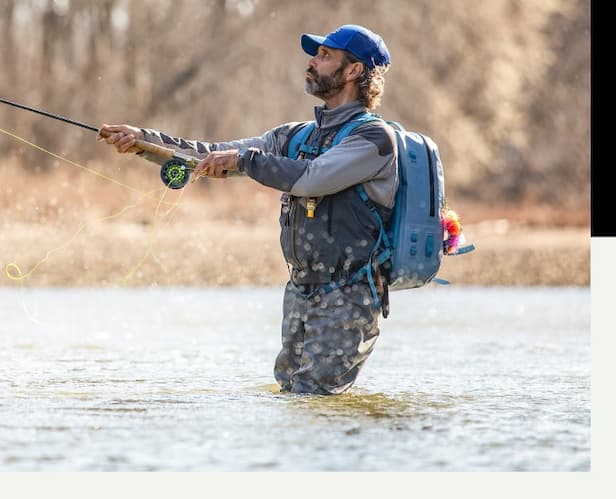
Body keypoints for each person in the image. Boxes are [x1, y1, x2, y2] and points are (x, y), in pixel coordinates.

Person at [98, 24, 398, 395]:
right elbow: (210, 153)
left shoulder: (373, 139)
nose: (312, 61)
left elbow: (311, 178)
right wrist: (143, 142)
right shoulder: (295, 136)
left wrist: (244, 161)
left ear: (353, 71)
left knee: (316, 398)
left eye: (324, 56)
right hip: (301, 291)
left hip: (348, 296)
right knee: (293, 395)